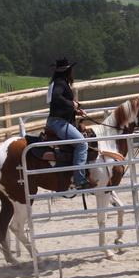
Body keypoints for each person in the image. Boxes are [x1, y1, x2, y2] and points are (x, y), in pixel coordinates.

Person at [45, 58, 89, 190]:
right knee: (82, 143)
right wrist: (72, 104)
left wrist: (76, 110)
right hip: (58, 122)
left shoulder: (60, 82)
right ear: (67, 71)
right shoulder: (60, 83)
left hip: (58, 121)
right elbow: (57, 97)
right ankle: (79, 180)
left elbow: (59, 103)